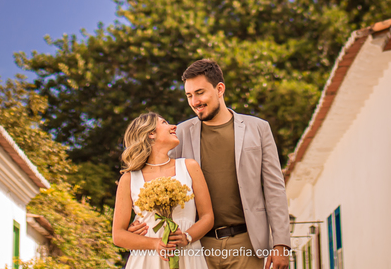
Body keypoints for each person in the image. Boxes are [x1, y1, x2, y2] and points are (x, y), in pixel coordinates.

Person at [134, 59, 291, 269]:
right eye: (189, 95)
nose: (194, 101)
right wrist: (141, 219)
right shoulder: (179, 133)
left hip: (247, 242)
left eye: (200, 92)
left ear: (219, 89)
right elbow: (157, 176)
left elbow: (274, 189)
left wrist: (281, 243)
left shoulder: (259, 129)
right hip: (196, 246)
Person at [113, 112, 215, 269]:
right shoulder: (129, 179)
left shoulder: (189, 167)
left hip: (187, 255)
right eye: (165, 122)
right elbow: (118, 236)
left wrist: (187, 237)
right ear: (151, 133)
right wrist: (155, 243)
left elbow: (207, 216)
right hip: (147, 260)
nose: (174, 126)